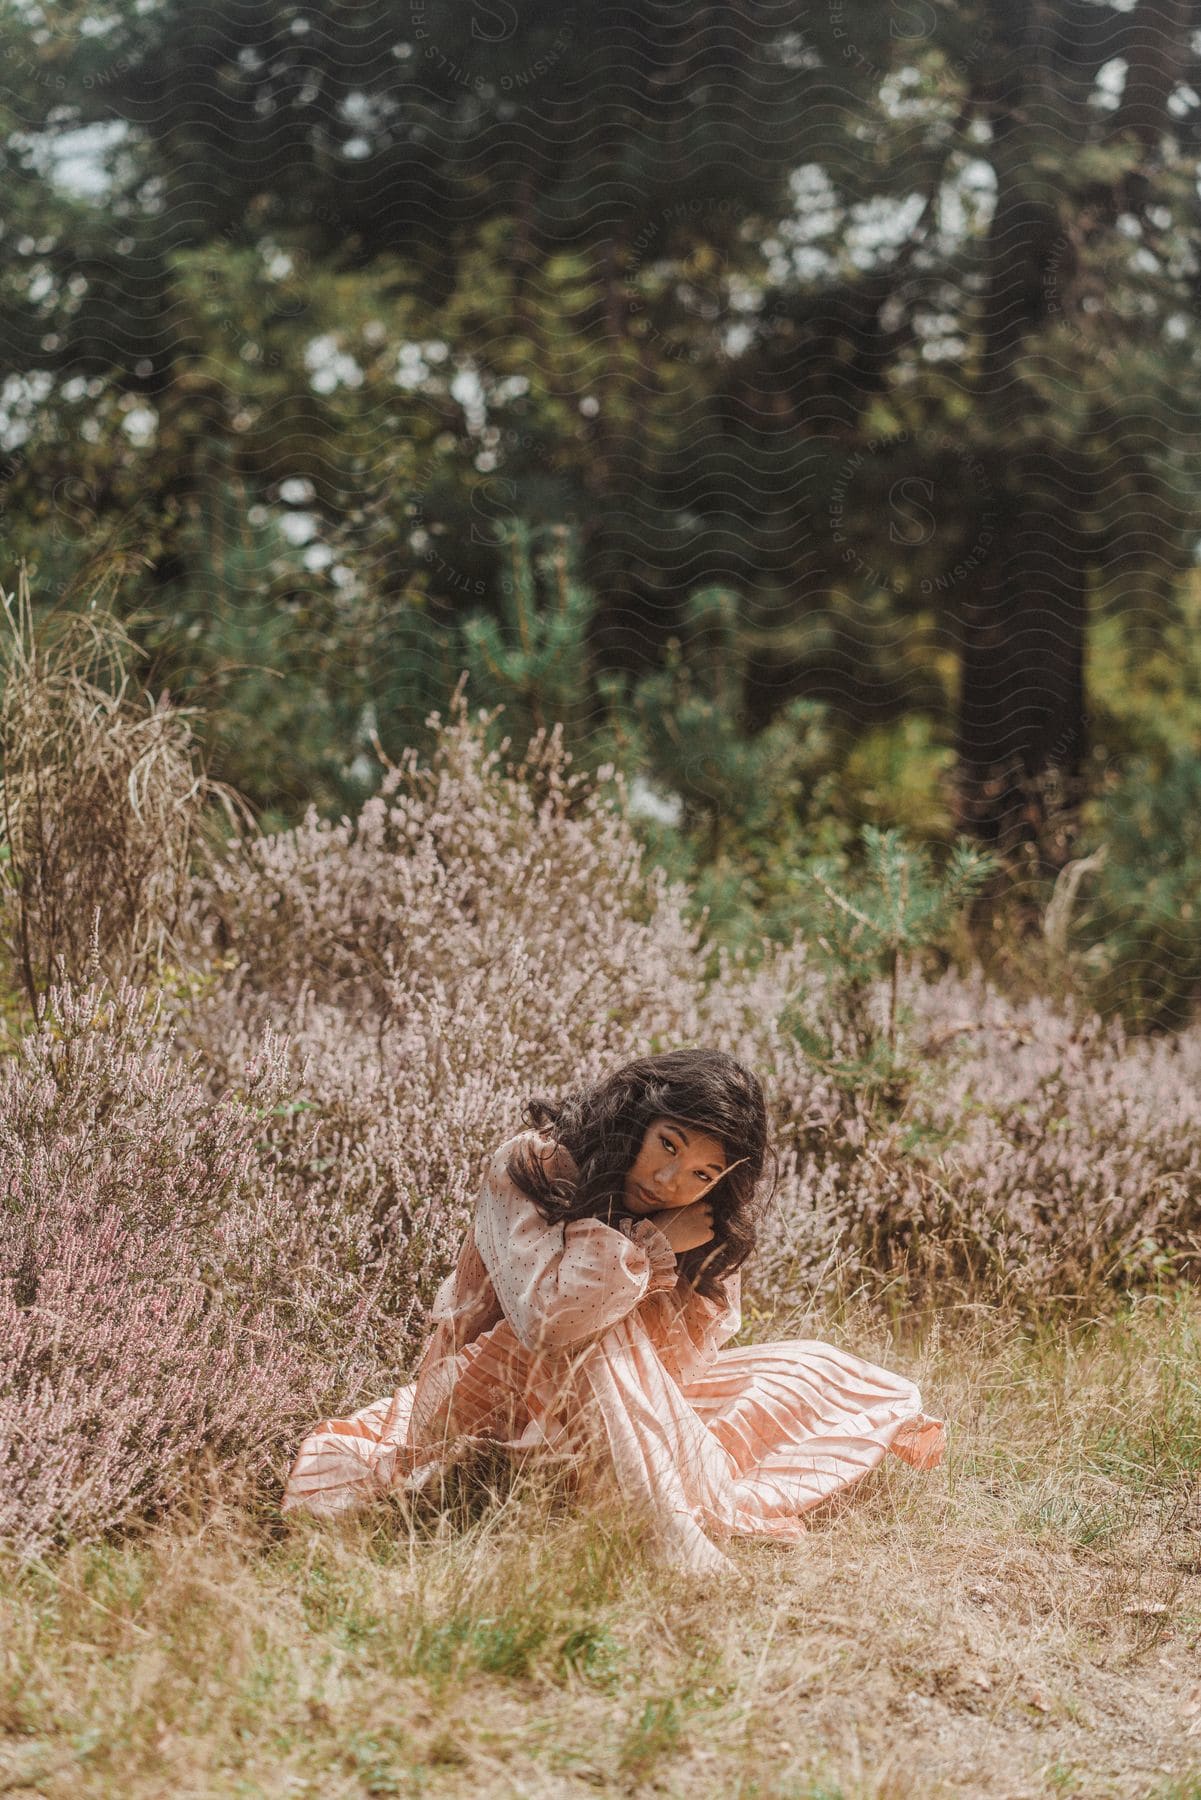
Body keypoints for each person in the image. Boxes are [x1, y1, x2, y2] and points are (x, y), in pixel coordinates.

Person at [281, 1048, 945, 1575]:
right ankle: (663, 1538)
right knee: (590, 1330)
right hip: (480, 1398)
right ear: (637, 1114)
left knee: (813, 1368)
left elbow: (680, 1365)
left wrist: (673, 1257)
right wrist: (647, 1248)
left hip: (604, 1414)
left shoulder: (690, 1216)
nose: (670, 1180)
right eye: (669, 1143)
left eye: (702, 1175)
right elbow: (545, 1320)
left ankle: (631, 1488)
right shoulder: (530, 1164)